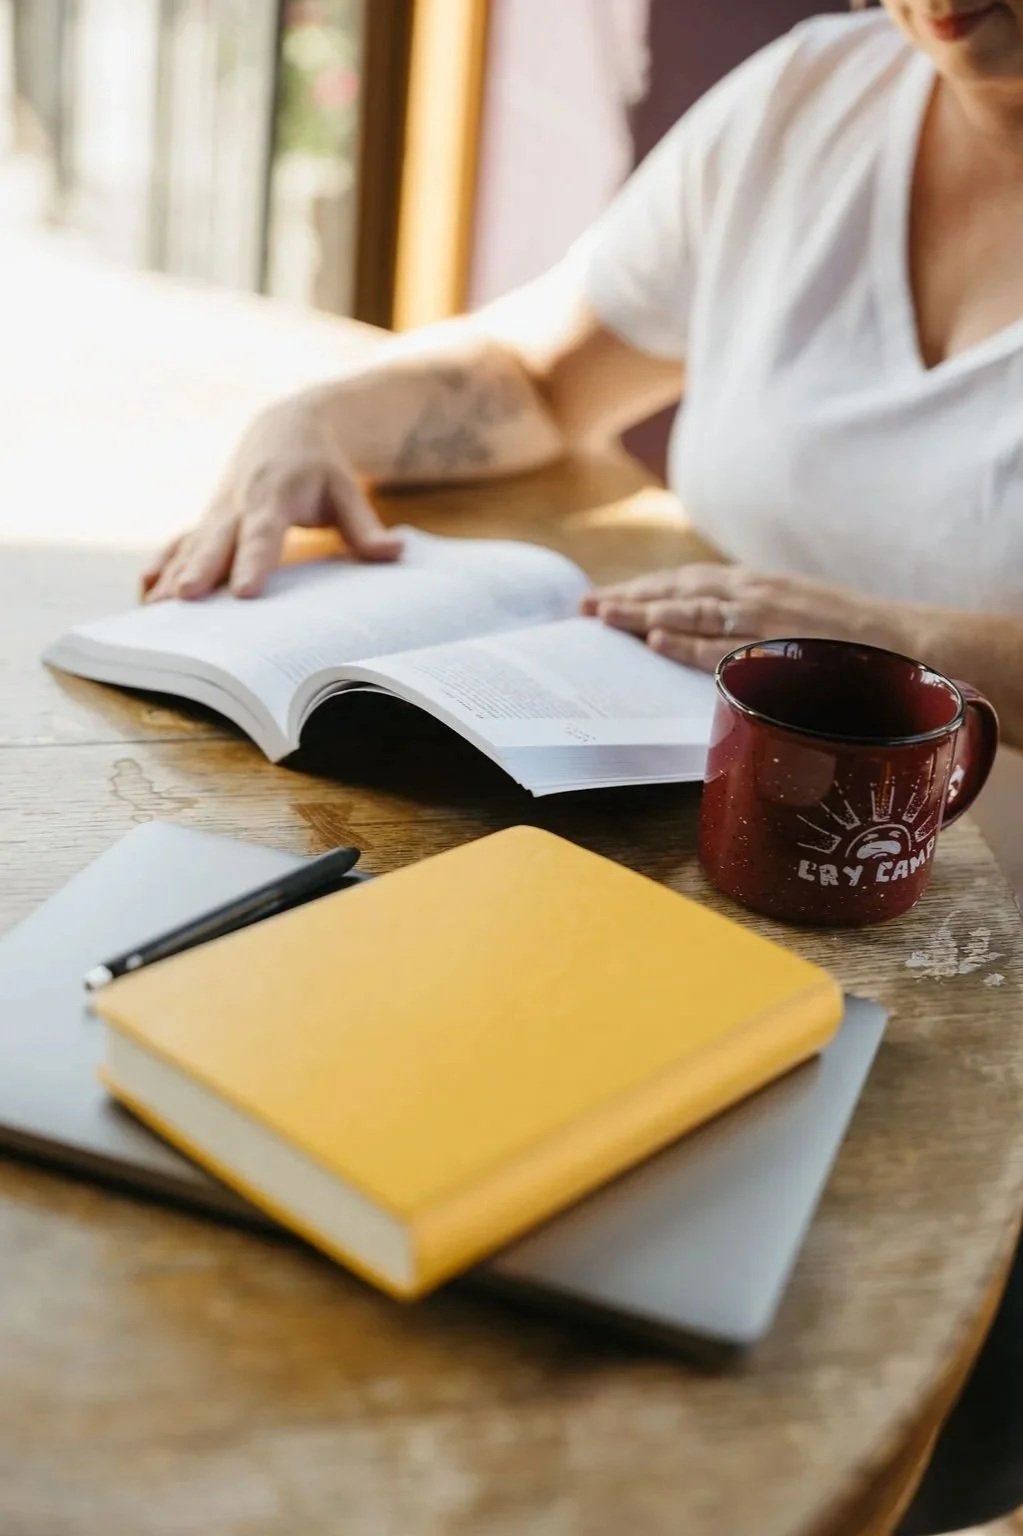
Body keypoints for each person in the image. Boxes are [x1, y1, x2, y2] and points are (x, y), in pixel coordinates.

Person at [145, 3, 1023, 1530]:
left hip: (982, 1030)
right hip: (706, 895)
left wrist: (884, 635)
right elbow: (544, 375)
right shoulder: (817, 96)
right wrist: (313, 420)